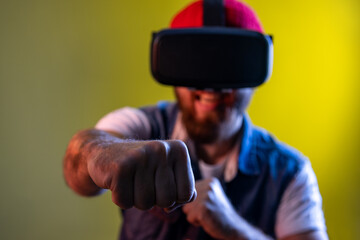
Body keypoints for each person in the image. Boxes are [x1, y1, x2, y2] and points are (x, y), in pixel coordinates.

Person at [63, 0, 328, 239]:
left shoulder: (290, 172)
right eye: (194, 64)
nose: (210, 89)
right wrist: (103, 154)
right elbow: (81, 162)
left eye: (230, 67)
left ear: (254, 71)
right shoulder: (142, 127)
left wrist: (233, 228)